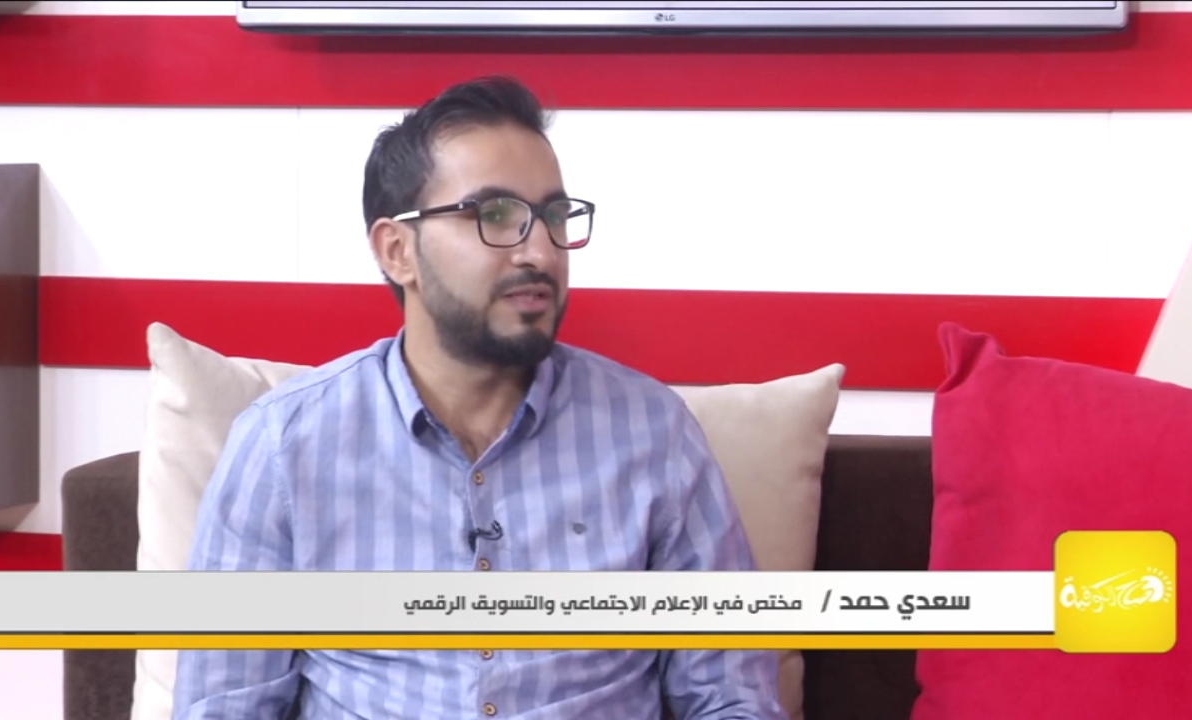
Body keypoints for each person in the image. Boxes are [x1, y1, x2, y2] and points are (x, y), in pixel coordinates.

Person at [171, 75, 786, 720]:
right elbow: (222, 706)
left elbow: (731, 697)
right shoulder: (283, 445)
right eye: (495, 216)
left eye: (554, 217)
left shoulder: (654, 434)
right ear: (397, 250)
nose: (540, 251)